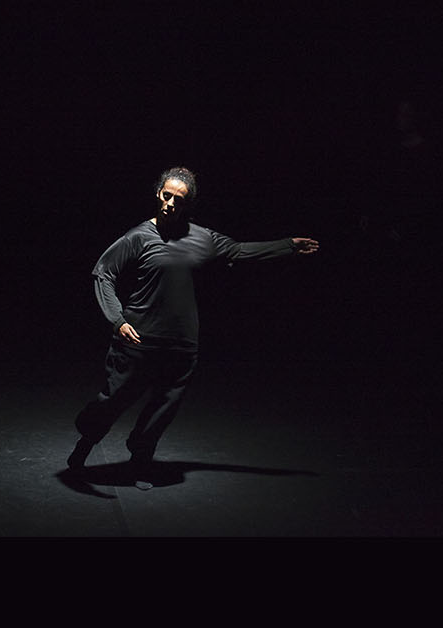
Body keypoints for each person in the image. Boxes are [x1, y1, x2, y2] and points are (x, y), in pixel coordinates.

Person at [66, 166, 319, 487]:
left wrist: (288, 245)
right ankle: (86, 442)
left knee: (164, 407)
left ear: (188, 204)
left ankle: (140, 460)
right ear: (158, 194)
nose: (170, 203)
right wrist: (118, 320)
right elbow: (103, 273)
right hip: (138, 338)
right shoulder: (138, 236)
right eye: (166, 195)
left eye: (179, 199)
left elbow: (239, 250)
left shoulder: (204, 238)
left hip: (182, 344)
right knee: (113, 400)